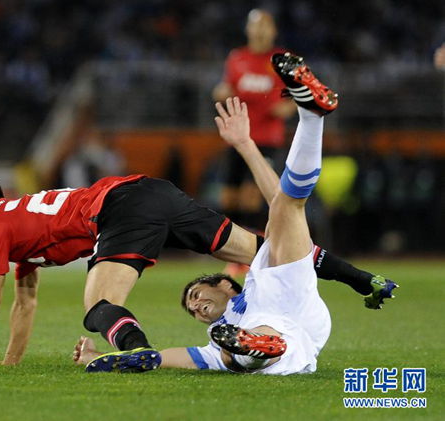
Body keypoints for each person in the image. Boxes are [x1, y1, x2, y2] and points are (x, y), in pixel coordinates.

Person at [0, 58, 390, 369]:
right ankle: (360, 278)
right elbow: (25, 301)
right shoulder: (15, 223)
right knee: (272, 249)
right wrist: (10, 362)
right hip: (152, 192)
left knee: (97, 305)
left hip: (118, 209)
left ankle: (138, 352)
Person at [77, 54, 397, 374]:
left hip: (284, 296)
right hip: (289, 333)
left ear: (227, 286)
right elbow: (161, 358)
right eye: (192, 309)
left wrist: (245, 144)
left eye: (196, 294)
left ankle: (312, 114)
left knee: (285, 207)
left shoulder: (256, 280)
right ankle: (258, 349)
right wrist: (108, 358)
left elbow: (277, 200)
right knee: (233, 349)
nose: (195, 306)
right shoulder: (217, 337)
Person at [213, 9, 297, 241]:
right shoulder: (237, 58)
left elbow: (299, 95)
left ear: (273, 31)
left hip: (267, 138)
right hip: (237, 137)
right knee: (229, 194)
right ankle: (230, 246)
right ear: (248, 30)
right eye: (256, 26)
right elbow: (225, 87)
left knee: (253, 194)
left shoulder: (282, 60)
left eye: (265, 26)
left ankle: (253, 245)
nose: (260, 31)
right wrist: (220, 92)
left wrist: (288, 107)